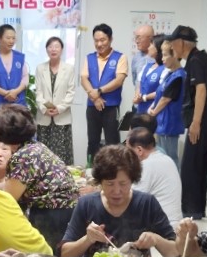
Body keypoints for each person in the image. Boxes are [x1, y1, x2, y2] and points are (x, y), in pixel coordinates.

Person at [60, 144, 174, 257]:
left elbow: (174, 253)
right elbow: (64, 254)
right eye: (110, 184)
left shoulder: (146, 203)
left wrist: (156, 239)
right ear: (100, 182)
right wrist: (87, 239)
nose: (116, 191)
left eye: (123, 184)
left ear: (132, 180)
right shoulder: (86, 204)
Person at [0, 104, 79, 251]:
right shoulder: (35, 147)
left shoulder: (22, 156)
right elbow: (15, 184)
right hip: (67, 210)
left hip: (52, 214)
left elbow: (9, 199)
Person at [165, 25, 207, 219]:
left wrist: (196, 122)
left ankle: (191, 211)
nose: (173, 48)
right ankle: (195, 210)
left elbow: (201, 91)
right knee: (197, 164)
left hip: (204, 119)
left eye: (173, 44)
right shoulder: (199, 59)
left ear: (181, 43)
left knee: (191, 166)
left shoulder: (196, 61)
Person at [80, 23, 128, 161]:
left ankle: (113, 172)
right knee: (92, 142)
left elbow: (119, 80)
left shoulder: (120, 57)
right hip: (92, 106)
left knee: (112, 142)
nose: (99, 44)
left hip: (111, 107)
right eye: (96, 40)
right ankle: (92, 172)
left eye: (103, 40)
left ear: (110, 39)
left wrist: (99, 91)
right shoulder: (89, 57)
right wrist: (94, 97)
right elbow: (84, 78)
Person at [127, 127, 182, 226]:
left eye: (128, 151)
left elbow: (130, 200)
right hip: (174, 225)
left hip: (162, 229)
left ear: (139, 150)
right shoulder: (167, 159)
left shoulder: (146, 166)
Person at [34, 36, 76, 165]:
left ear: (62, 49)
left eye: (57, 46)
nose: (53, 49)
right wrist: (44, 108)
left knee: (61, 154)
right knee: (44, 154)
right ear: (46, 49)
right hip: (44, 117)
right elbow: (38, 92)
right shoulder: (40, 68)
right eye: (50, 46)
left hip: (62, 117)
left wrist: (60, 108)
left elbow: (71, 92)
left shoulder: (68, 68)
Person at [149, 39, 186, 164]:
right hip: (162, 123)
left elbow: (166, 99)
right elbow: (160, 94)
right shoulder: (169, 74)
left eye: (165, 55)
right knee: (163, 157)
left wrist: (154, 112)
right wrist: (153, 106)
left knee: (170, 158)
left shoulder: (179, 76)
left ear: (175, 55)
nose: (162, 58)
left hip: (169, 125)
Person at [0, 24, 29, 117]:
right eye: (8, 38)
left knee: (18, 130)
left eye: (13, 38)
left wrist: (15, 92)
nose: (11, 41)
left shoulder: (19, 57)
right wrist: (6, 93)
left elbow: (25, 77)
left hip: (18, 103)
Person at [133, 34, 165, 115]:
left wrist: (145, 97)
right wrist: (137, 96)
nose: (149, 47)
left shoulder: (165, 69)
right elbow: (139, 83)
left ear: (159, 49)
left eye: (151, 45)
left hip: (155, 111)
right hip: (141, 110)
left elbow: (163, 91)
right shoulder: (147, 66)